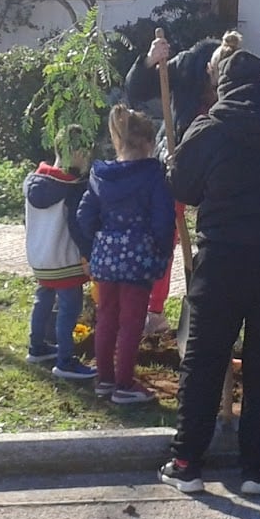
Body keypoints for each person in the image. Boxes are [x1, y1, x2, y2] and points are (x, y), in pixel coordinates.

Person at [160, 45, 260, 495]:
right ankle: (259, 467)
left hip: (224, 258)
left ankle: (187, 462)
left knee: (205, 358)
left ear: (223, 84)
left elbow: (184, 188)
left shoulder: (210, 127)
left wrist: (175, 164)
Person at [124, 32, 224, 335]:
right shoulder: (183, 66)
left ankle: (212, 306)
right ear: (205, 68)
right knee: (165, 233)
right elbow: (137, 89)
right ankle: (153, 310)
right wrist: (150, 61)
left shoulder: (233, 70)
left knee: (218, 237)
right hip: (177, 158)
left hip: (219, 164)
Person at [76, 104, 176, 404]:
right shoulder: (153, 176)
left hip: (106, 257)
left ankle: (105, 379)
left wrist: (100, 239)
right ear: (147, 143)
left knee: (106, 317)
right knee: (132, 322)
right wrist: (161, 249)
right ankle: (124, 384)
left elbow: (84, 215)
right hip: (138, 258)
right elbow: (163, 219)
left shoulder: (101, 176)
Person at [22, 125, 95, 380]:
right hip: (64, 260)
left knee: (43, 299)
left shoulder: (32, 182)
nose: (87, 160)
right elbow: (77, 225)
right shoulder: (72, 188)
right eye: (86, 154)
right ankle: (65, 360)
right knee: (69, 307)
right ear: (76, 154)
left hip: (40, 257)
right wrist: (88, 255)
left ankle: (37, 347)